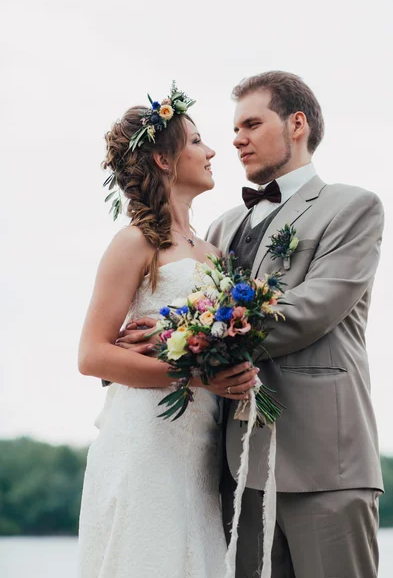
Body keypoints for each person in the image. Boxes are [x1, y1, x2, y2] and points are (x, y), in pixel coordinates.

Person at [124, 71, 384, 578]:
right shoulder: (221, 227)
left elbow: (311, 311)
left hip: (325, 464)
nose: (236, 138)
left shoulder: (353, 207)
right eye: (233, 127)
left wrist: (179, 334)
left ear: (298, 124)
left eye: (251, 123)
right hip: (235, 471)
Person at [77, 86, 258, 578]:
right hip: (144, 438)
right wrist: (198, 378)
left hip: (200, 446)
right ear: (163, 158)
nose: (212, 150)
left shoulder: (217, 255)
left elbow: (227, 337)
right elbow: (92, 356)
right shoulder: (134, 242)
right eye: (197, 141)